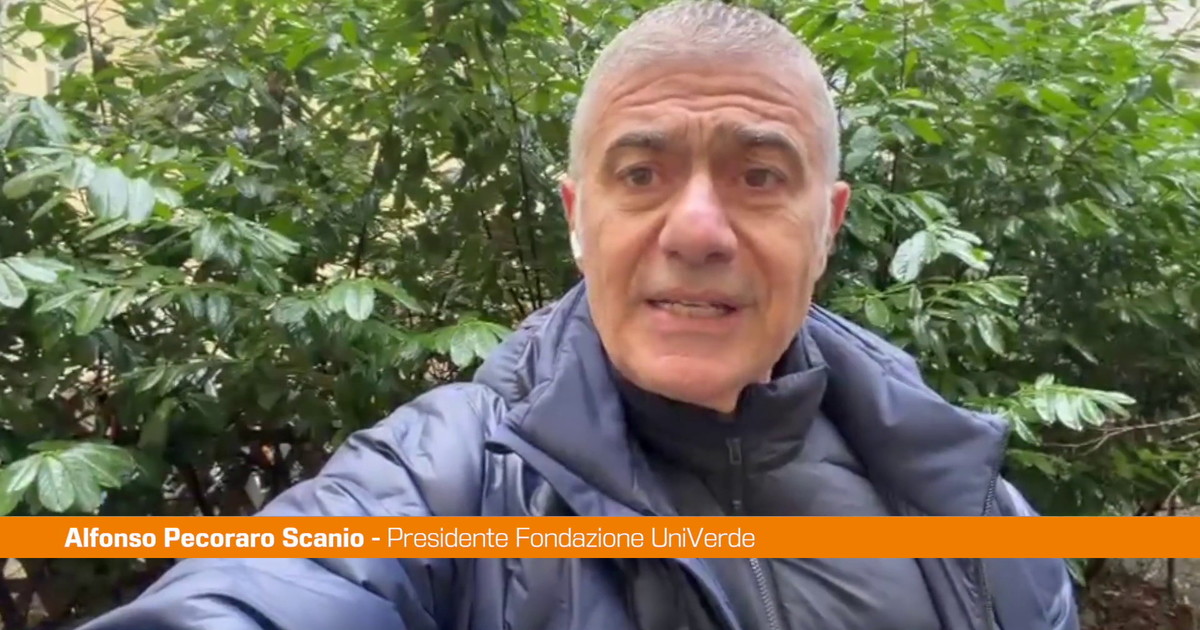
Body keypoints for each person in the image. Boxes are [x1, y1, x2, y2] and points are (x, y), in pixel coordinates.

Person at [78, 2, 1079, 629]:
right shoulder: (446, 484)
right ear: (576, 218)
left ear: (828, 225)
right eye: (640, 174)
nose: (697, 229)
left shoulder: (979, 518)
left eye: (760, 176)